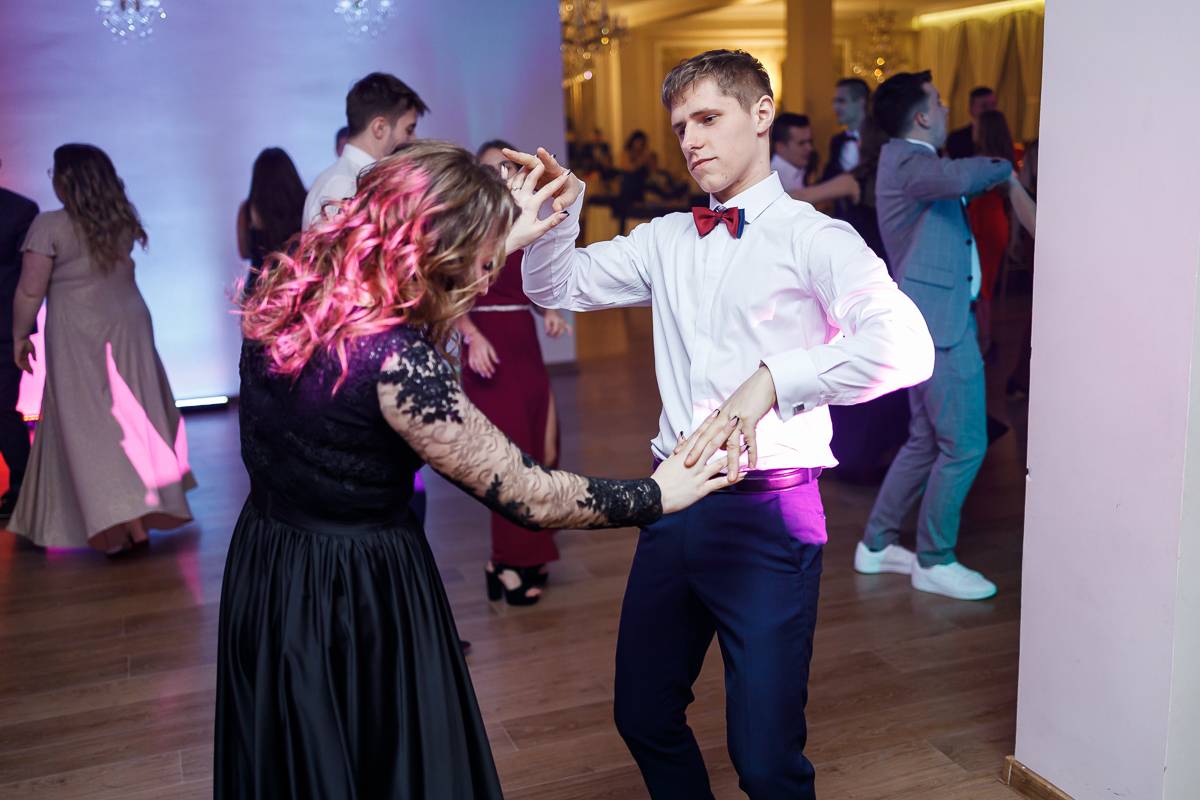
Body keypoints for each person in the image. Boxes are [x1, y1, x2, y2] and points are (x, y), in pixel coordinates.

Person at [216, 140, 738, 798]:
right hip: (356, 586)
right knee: (380, 754)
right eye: (479, 258)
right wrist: (655, 494)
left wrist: (504, 233)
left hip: (270, 560)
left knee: (301, 755)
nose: (485, 275)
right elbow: (528, 493)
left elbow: (420, 302)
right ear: (436, 251)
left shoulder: (290, 287)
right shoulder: (397, 363)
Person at [505, 48, 933, 799]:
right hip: (672, 503)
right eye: (681, 127)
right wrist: (556, 216)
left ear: (761, 114)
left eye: (708, 118)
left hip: (770, 512)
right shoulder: (666, 238)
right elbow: (557, 285)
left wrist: (772, 380)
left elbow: (907, 346)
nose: (691, 140)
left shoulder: (816, 238)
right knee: (642, 713)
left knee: (765, 760)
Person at [857, 71, 1012, 600]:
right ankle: (934, 558)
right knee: (965, 445)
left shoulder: (910, 161)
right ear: (922, 116)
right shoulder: (911, 162)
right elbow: (964, 177)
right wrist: (1007, 164)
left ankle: (876, 544)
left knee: (926, 439)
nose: (947, 110)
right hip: (940, 324)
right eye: (940, 102)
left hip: (932, 316)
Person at [10, 144, 195, 554]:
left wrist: (19, 336)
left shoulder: (49, 226)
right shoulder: (119, 220)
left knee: (90, 424)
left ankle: (118, 527)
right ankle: (136, 522)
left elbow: (29, 291)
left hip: (80, 331)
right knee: (134, 417)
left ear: (66, 181)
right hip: (129, 324)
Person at [462, 139, 572, 605]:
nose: (500, 176)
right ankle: (506, 561)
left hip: (524, 345)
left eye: (506, 168)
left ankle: (528, 553)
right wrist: (471, 336)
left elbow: (533, 283)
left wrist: (549, 311)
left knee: (544, 448)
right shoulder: (466, 224)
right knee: (508, 459)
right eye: (490, 169)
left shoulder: (523, 220)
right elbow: (447, 288)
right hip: (488, 347)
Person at [302, 72, 428, 229]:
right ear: (379, 128)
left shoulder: (356, 180)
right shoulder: (343, 185)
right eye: (409, 130)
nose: (414, 139)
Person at [0, 159, 36, 518]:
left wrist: (21, 331)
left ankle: (24, 488)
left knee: (1, 409)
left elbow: (29, 278)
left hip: (2, 327)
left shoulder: (20, 211)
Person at [966, 109, 1017, 353]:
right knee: (985, 286)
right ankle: (985, 341)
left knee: (981, 288)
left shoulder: (984, 163)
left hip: (983, 222)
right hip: (995, 221)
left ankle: (984, 344)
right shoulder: (1002, 161)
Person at [236, 148, 306, 298]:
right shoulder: (305, 203)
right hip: (296, 285)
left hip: (259, 288)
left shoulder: (248, 210)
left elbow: (244, 252)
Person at [822, 77, 871, 182]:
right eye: (834, 102)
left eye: (841, 101)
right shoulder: (836, 141)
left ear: (861, 102)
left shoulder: (879, 139)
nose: (835, 107)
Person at [945, 86, 997, 159]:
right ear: (971, 109)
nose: (990, 110)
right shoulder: (957, 139)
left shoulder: (1000, 137)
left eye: (993, 105)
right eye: (984, 106)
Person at [770, 112, 814, 192]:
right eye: (801, 143)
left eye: (810, 142)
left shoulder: (806, 170)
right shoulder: (771, 181)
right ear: (780, 147)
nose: (809, 148)